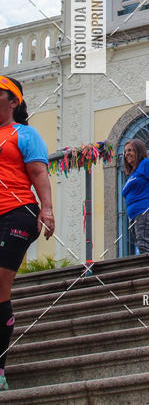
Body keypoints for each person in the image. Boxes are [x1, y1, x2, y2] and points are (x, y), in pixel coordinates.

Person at [0, 76, 54, 392]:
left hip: (18, 212)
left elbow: (39, 174)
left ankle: (1, 369)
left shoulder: (24, 134)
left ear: (13, 101)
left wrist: (47, 210)